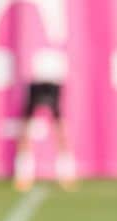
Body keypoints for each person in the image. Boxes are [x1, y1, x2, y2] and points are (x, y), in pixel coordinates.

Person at [13, 51, 77, 192]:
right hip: (36, 79)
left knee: (61, 133)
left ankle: (66, 174)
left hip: (53, 79)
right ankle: (23, 174)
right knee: (25, 134)